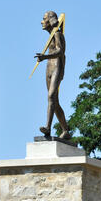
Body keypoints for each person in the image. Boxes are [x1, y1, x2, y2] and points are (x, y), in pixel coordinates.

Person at [34, 11, 71, 139]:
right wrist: (44, 58)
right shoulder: (50, 36)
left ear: (51, 20)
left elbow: (60, 51)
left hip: (57, 67)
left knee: (50, 96)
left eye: (44, 19)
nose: (42, 22)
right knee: (54, 100)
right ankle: (65, 130)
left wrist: (44, 56)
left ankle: (48, 128)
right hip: (49, 67)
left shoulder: (57, 34)